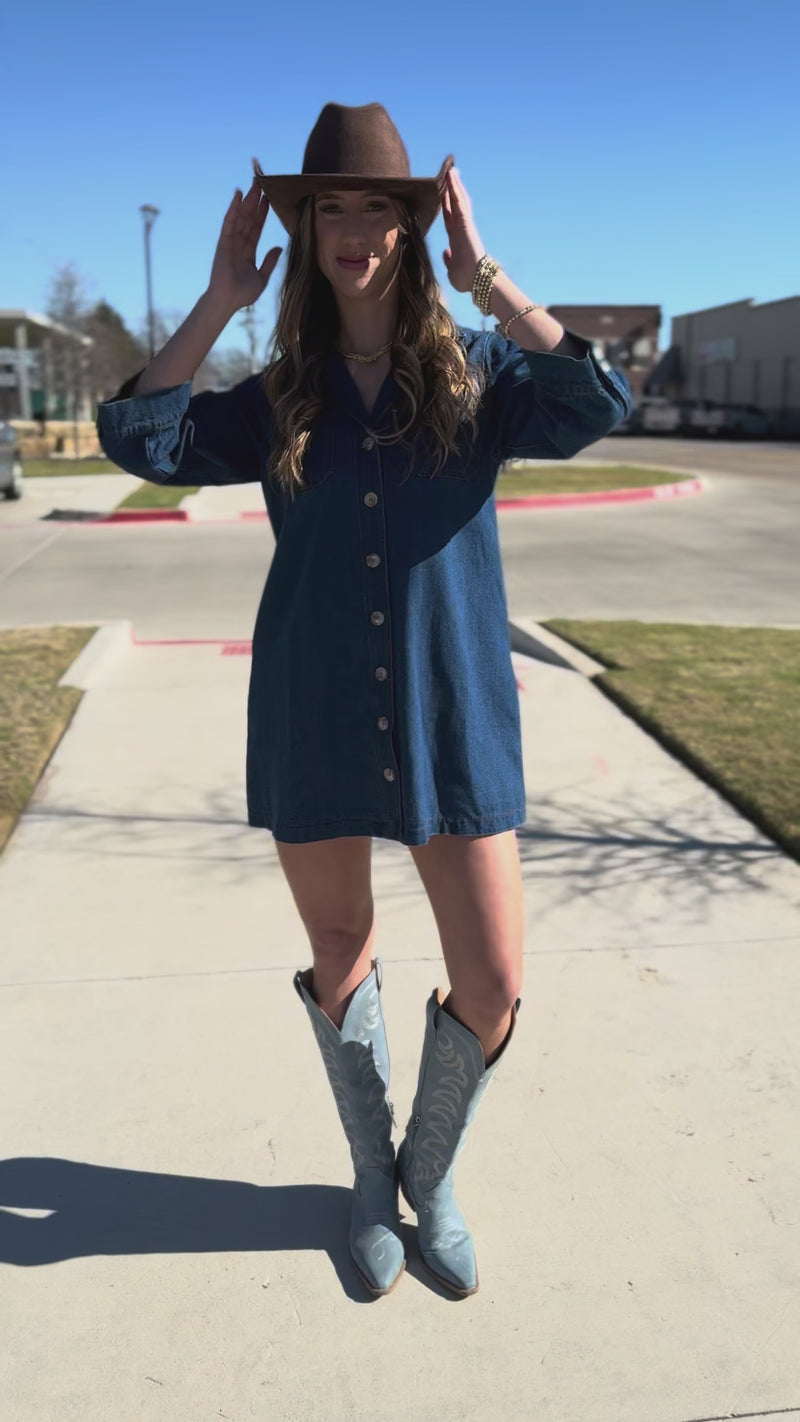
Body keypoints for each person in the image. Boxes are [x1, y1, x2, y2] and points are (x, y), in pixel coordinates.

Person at [97, 101, 631, 1300]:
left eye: (376, 208)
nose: (352, 230)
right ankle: (364, 1179)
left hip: (452, 710)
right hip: (316, 705)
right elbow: (138, 434)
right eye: (329, 206)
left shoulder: (484, 379)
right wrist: (222, 297)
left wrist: (482, 274)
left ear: (410, 225)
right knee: (341, 947)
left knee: (489, 979)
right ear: (310, 226)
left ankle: (427, 1178)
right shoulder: (279, 393)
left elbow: (594, 403)